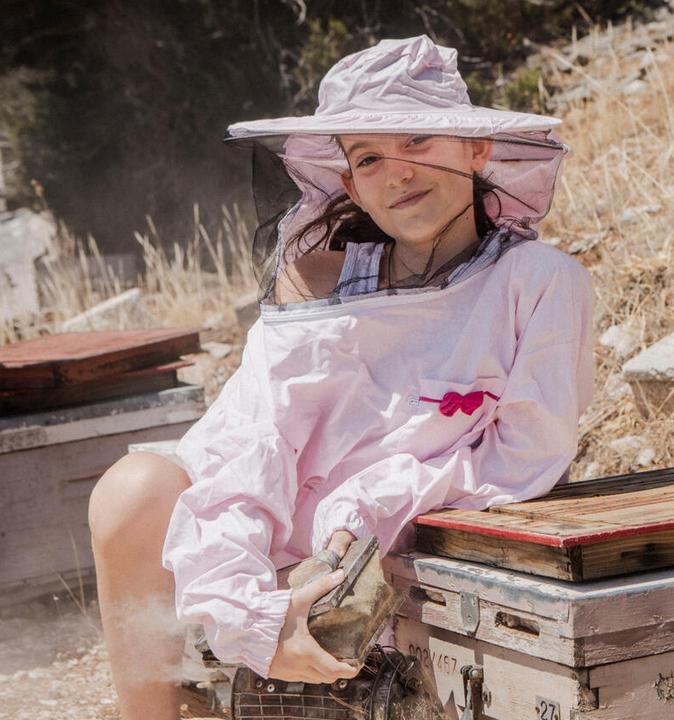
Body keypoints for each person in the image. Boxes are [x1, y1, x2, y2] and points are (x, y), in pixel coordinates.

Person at [87, 36, 594, 719]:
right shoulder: (319, 284)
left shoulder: (537, 281)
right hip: (281, 569)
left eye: (417, 139)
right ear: (350, 184)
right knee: (133, 490)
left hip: (398, 555)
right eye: (368, 158)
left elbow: (525, 453)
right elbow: (254, 442)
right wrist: (251, 614)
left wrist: (359, 512)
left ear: (477, 151)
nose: (398, 174)